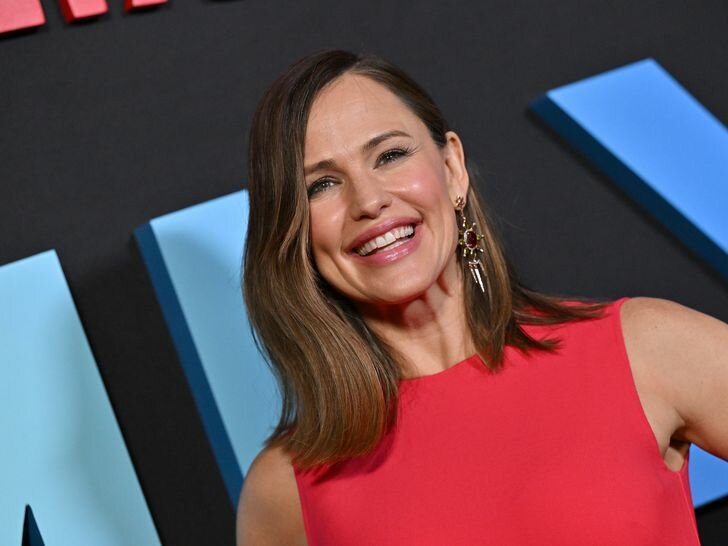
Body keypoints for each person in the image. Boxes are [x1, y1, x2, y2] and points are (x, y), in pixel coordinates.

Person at [236, 50, 728, 545]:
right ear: (293, 230)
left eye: (390, 155)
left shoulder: (644, 348)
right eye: (321, 184)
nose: (368, 201)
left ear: (451, 167)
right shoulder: (284, 488)